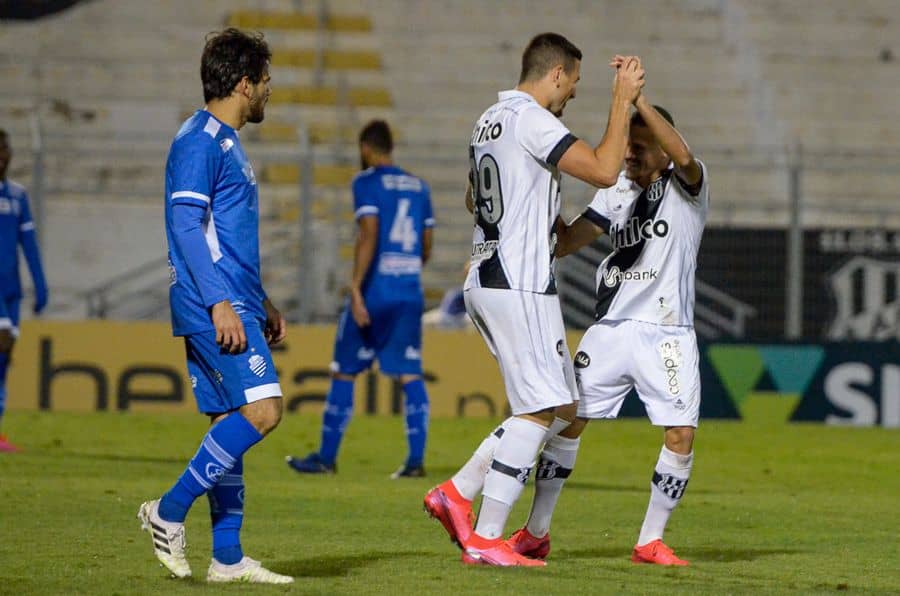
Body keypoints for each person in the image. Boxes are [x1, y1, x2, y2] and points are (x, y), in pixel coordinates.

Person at [423, 33, 645, 567]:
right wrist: (622, 100)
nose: (572, 96)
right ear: (557, 74)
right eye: (573, 84)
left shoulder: (487, 120)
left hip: (489, 274)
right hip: (518, 282)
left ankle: (456, 494)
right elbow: (603, 169)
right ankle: (487, 538)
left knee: (563, 406)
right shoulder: (533, 119)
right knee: (540, 408)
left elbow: (472, 195)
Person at [512, 92, 708, 566]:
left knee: (680, 435)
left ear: (663, 147)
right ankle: (536, 532)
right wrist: (543, 196)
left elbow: (683, 155)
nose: (629, 153)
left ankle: (650, 540)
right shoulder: (615, 190)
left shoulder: (689, 184)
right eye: (628, 146)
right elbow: (565, 244)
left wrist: (636, 104)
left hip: (667, 331)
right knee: (568, 420)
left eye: (641, 145)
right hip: (611, 329)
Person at [136, 28, 292, 584]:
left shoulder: (222, 139)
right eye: (266, 80)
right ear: (244, 84)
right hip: (212, 305)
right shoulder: (200, 140)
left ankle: (226, 556)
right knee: (263, 410)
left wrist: (260, 299)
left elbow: (219, 233)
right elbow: (183, 224)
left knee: (231, 420)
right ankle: (168, 511)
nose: (271, 90)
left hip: (231, 300)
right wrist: (223, 303)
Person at [286, 120, 434, 479]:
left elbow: (368, 231)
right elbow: (426, 243)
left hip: (374, 292)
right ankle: (415, 462)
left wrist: (355, 287)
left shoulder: (365, 182)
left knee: (344, 371)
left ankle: (326, 457)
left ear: (367, 148)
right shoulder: (419, 186)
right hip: (408, 291)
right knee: (410, 375)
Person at [0, 129, 48, 453]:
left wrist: (40, 284)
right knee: (1, 347)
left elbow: (28, 245)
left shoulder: (17, 196)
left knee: (5, 359)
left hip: (11, 291)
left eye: (5, 149)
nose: (3, 155)